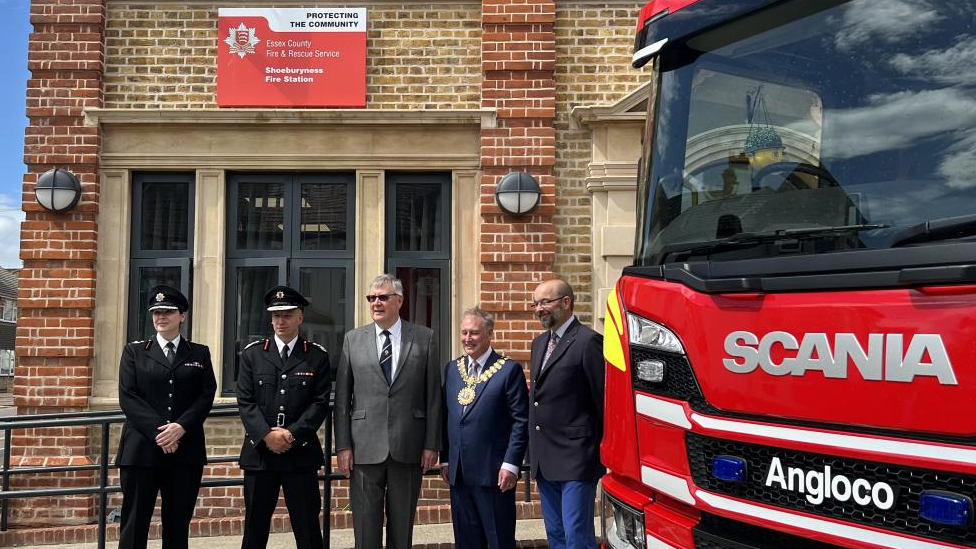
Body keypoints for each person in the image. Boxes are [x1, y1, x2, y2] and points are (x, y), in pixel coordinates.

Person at [334, 274, 443, 549]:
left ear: (400, 301)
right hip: (363, 447)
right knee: (365, 530)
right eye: (372, 298)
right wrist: (343, 446)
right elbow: (343, 398)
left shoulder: (424, 338)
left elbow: (433, 396)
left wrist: (432, 444)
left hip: (408, 446)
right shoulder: (352, 340)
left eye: (383, 297)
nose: (376, 303)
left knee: (402, 528)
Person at [116, 284, 217, 549]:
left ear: (182, 316)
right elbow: (128, 396)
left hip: (185, 452)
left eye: (168, 312)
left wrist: (181, 428)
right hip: (141, 451)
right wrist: (163, 432)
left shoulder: (199, 353)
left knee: (177, 525)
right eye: (156, 312)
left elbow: (206, 395)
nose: (161, 317)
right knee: (134, 524)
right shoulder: (134, 352)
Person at [236, 285, 331, 549]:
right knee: (254, 528)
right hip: (260, 455)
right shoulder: (253, 354)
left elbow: (320, 402)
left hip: (299, 453)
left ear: (300, 317)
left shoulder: (316, 356)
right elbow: (245, 400)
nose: (281, 321)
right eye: (276, 315)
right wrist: (266, 435)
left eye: (287, 315)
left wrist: (291, 434)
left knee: (308, 528)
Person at [440, 307, 528, 549]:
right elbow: (446, 416)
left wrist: (511, 463)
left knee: (498, 540)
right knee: (466, 542)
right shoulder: (452, 369)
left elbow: (520, 421)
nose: (468, 338)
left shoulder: (508, 370)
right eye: (464, 332)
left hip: (494, 473)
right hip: (459, 474)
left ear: (490, 334)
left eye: (475, 333)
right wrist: (446, 459)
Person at [528, 279, 605, 549]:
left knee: (576, 535)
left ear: (566, 302)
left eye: (545, 302)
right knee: (556, 534)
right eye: (536, 303)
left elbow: (603, 402)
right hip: (545, 458)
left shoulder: (588, 342)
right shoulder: (538, 345)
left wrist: (601, 451)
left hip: (577, 458)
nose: (539, 308)